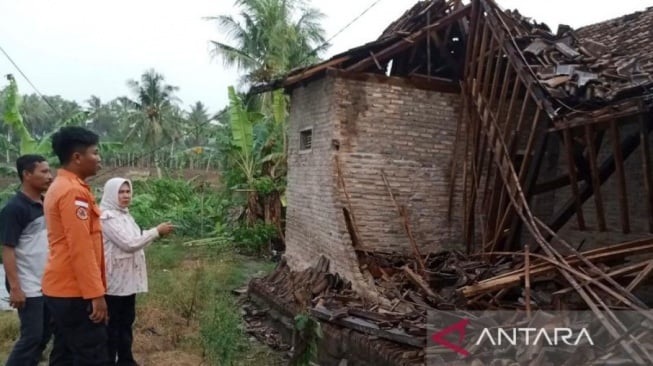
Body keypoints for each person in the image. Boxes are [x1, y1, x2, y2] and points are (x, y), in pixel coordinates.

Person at [41, 126, 109, 365]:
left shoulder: (63, 186)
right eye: (95, 153)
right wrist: (96, 294)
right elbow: (80, 248)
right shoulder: (72, 193)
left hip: (61, 289)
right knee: (93, 354)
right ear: (77, 157)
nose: (99, 159)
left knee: (65, 354)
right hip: (74, 291)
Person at [100, 177, 173, 365]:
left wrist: (150, 234)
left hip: (128, 281)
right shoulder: (106, 217)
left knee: (126, 322)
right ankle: (109, 360)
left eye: (128, 192)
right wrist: (156, 231)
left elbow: (137, 239)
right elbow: (129, 244)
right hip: (114, 282)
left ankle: (125, 359)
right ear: (111, 194)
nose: (125, 196)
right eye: (121, 192)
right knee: (113, 325)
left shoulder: (125, 215)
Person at [0, 154, 53, 366]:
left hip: (47, 282)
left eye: (50, 171)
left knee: (45, 334)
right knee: (31, 336)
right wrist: (15, 287)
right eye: (44, 172)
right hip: (27, 284)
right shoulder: (14, 209)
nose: (50, 176)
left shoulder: (45, 204)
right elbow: (8, 250)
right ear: (27, 174)